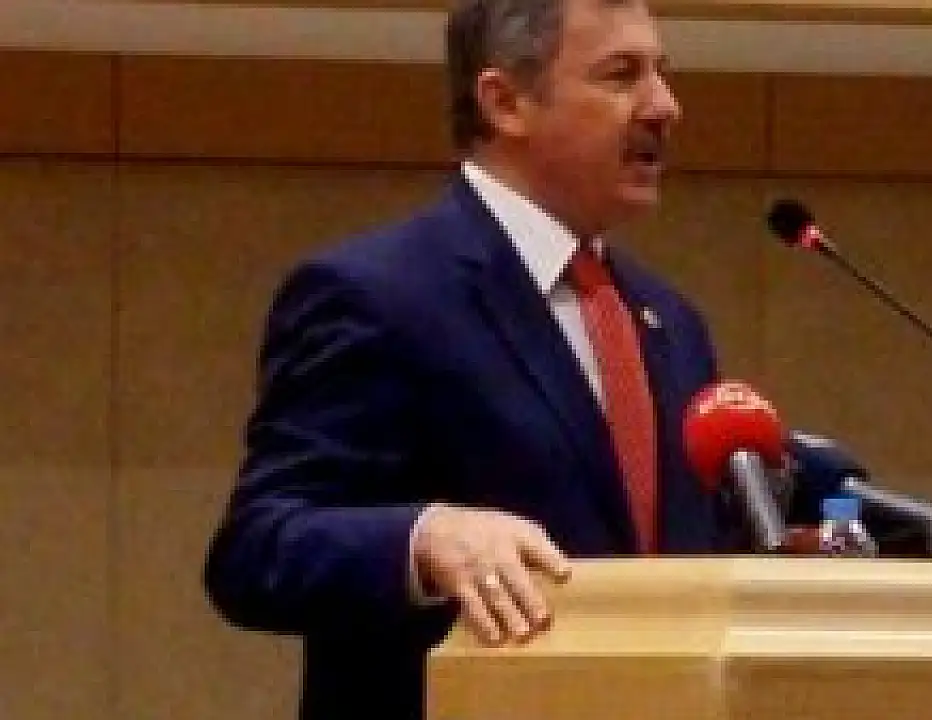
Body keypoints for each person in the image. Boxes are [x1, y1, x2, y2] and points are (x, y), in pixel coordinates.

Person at [202, 0, 738, 717]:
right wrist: (424, 538)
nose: (665, 106)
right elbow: (257, 550)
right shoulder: (377, 295)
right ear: (505, 102)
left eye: (662, 73)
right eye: (621, 75)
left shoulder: (671, 321)